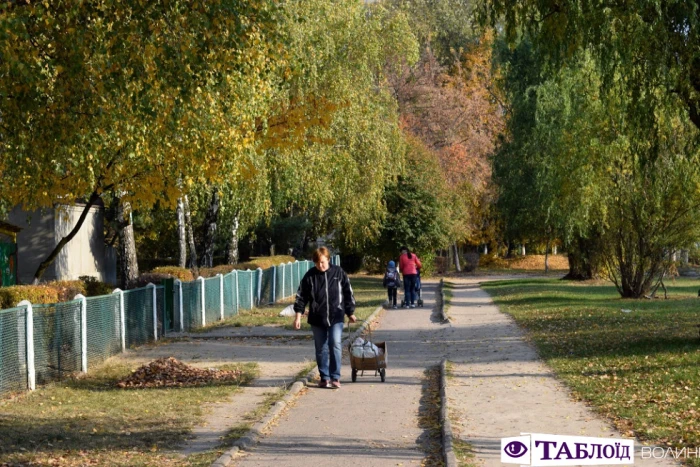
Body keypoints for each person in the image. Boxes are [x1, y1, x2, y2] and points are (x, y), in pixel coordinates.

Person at [293, 247, 357, 389]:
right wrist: (298, 317)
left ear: (328, 259)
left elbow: (348, 293)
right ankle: (324, 377)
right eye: (317, 263)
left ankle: (335, 377)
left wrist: (350, 312)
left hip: (336, 315)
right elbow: (301, 297)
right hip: (317, 317)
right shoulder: (310, 276)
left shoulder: (338, 273)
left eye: (322, 262)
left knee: (335, 343)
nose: (320, 266)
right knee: (321, 347)